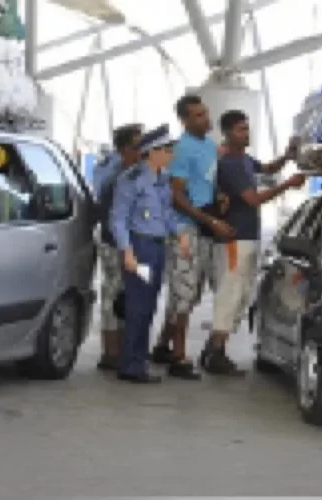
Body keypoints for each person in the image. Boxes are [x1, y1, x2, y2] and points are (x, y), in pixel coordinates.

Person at [202, 109, 305, 375]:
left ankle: (214, 348)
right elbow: (253, 199)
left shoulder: (243, 159)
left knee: (240, 292)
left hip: (247, 236)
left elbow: (268, 169)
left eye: (247, 129)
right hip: (236, 239)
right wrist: (288, 185)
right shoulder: (231, 164)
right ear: (226, 132)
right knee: (231, 293)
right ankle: (216, 352)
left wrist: (288, 156)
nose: (246, 134)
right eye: (241, 130)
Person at [151, 94, 235, 380]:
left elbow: (205, 184)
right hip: (184, 227)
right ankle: (179, 357)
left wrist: (218, 197)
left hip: (202, 224)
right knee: (184, 291)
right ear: (184, 120)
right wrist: (208, 219)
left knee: (188, 290)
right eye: (198, 115)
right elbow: (176, 195)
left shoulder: (210, 147)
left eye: (205, 112)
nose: (206, 118)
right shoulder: (183, 149)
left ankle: (163, 344)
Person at [111, 124, 190, 384]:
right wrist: (127, 251)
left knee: (148, 306)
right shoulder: (131, 180)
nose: (172, 155)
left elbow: (166, 214)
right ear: (152, 152)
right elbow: (118, 219)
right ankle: (131, 365)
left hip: (156, 247)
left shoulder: (162, 180)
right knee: (137, 307)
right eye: (167, 150)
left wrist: (180, 232)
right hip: (140, 246)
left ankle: (138, 361)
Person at [94, 124, 144, 371]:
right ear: (126, 149)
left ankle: (118, 350)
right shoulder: (118, 178)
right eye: (139, 145)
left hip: (122, 244)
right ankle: (111, 352)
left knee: (121, 297)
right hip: (116, 245)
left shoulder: (127, 174)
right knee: (114, 296)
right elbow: (114, 218)